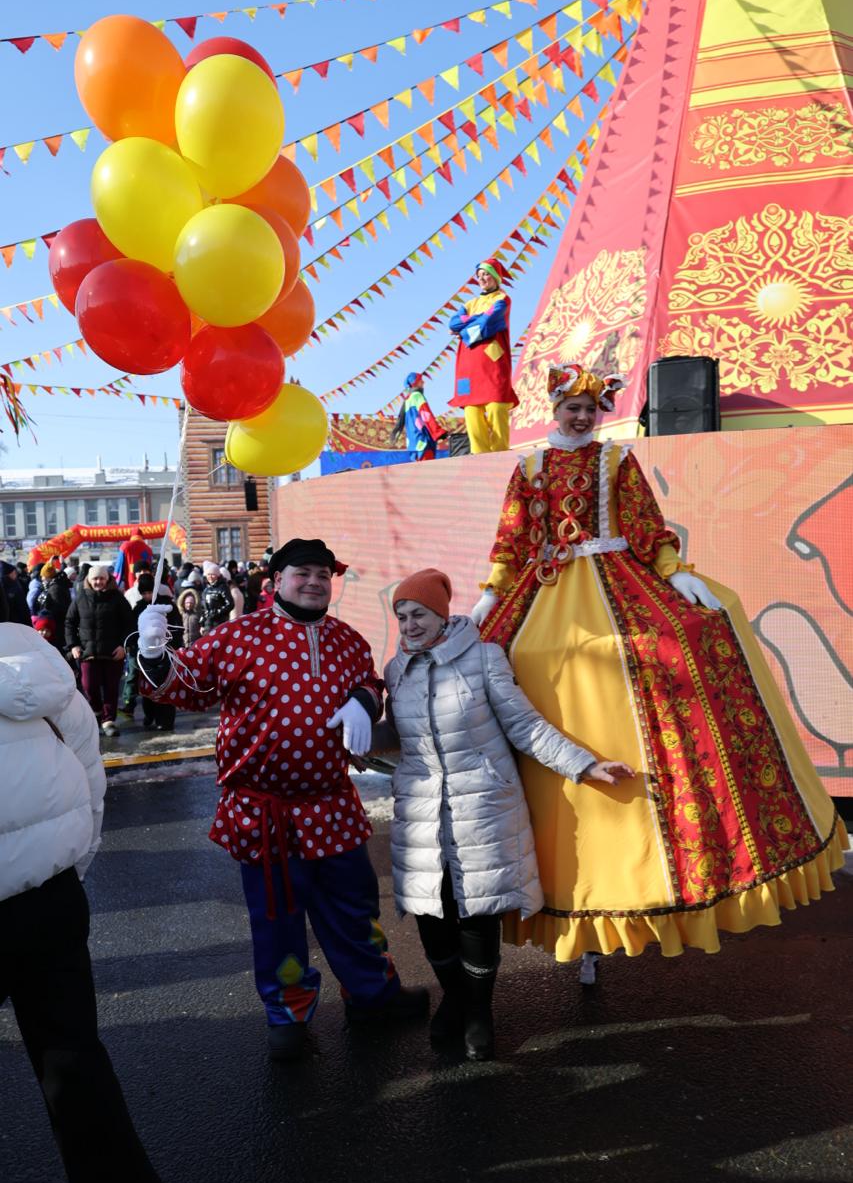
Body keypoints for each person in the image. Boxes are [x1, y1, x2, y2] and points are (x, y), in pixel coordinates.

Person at [471, 363, 848, 966]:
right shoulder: (529, 468)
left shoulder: (616, 462)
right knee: (516, 659)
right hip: (547, 587)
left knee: (672, 644)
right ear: (554, 408)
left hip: (615, 574)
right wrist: (493, 589)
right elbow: (513, 536)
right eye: (572, 407)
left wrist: (673, 572)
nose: (581, 417)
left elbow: (644, 523)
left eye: (590, 410)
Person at [137, 537, 429, 1061]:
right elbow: (186, 687)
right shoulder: (238, 636)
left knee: (356, 910)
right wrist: (155, 654)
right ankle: (288, 1014)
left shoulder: (347, 639)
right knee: (277, 921)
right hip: (264, 813)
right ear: (277, 581)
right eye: (304, 573)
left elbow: (367, 680)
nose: (315, 582)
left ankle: (372, 995)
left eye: (324, 574)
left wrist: (365, 701)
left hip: (332, 805)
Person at [375, 568, 631, 1060]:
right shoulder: (396, 671)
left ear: (441, 614)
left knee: (475, 916)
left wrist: (584, 765)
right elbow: (397, 738)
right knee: (432, 916)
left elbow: (525, 727)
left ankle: (478, 1013)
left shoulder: (484, 658)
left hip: (483, 809)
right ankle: (455, 997)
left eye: (418, 614)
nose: (408, 624)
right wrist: (355, 735)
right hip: (421, 813)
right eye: (402, 615)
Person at [0, 587, 165, 1183]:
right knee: (72, 1057)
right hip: (49, 893)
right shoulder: (32, 655)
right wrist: (73, 857)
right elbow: (88, 766)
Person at [448, 257, 519, 454]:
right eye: (479, 275)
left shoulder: (502, 299)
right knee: (471, 410)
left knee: (497, 406)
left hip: (492, 362)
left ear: (496, 277)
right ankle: (479, 456)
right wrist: (473, 319)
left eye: (486, 274)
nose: (482, 278)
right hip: (467, 365)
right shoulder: (470, 303)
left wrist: (463, 330)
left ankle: (500, 453)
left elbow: (489, 323)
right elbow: (452, 323)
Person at [65, 562, 134, 738]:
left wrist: (123, 646)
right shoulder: (80, 598)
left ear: (107, 579)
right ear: (89, 579)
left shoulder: (117, 598)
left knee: (111, 689)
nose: (99, 582)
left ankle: (108, 720)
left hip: (113, 652)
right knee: (89, 686)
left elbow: (129, 624)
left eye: (102, 578)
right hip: (88, 653)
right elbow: (70, 623)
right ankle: (96, 712)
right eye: (95, 578)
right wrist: (73, 645)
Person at [130, 573, 181, 732]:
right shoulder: (138, 608)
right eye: (144, 593)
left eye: (149, 592)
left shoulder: (166, 604)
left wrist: (175, 646)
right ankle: (150, 714)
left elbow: (176, 626)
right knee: (147, 687)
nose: (147, 596)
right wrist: (133, 647)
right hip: (145, 654)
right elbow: (133, 630)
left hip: (166, 652)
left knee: (165, 687)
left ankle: (165, 720)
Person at [393, 372, 445, 462]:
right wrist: (438, 431)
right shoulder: (417, 396)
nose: (423, 382)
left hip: (413, 443)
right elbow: (426, 415)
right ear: (416, 383)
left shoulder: (407, 400)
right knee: (427, 472)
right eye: (421, 380)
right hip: (423, 442)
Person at [113, 527, 153, 592]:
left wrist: (114, 586)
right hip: (147, 587)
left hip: (130, 585)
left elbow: (118, 568)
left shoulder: (125, 546)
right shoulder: (149, 549)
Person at [200, 561, 233, 633]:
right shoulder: (206, 590)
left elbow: (230, 604)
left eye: (213, 575)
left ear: (217, 575)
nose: (210, 577)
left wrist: (217, 612)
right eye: (208, 574)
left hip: (220, 622)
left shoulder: (223, 587)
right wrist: (202, 624)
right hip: (208, 623)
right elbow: (203, 608)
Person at [0, 560, 32, 626]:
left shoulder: (16, 584)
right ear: (8, 574)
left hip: (18, 623)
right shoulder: (8, 588)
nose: (15, 574)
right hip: (14, 624)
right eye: (13, 572)